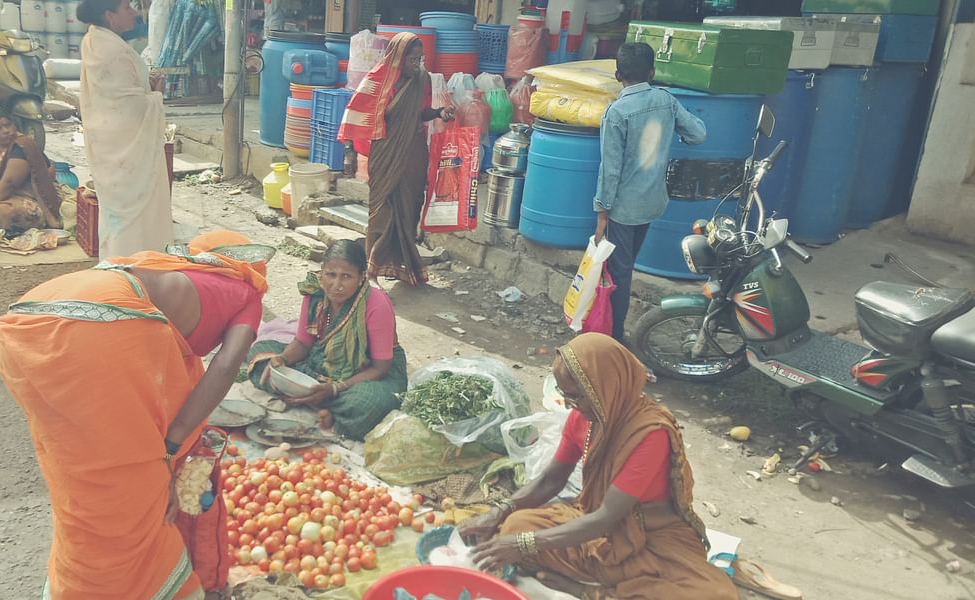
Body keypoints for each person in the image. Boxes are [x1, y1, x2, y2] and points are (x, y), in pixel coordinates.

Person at [0, 230, 274, 600]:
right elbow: (224, 368)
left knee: (81, 478)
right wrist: (172, 446)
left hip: (25, 324)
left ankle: (73, 583)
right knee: (131, 498)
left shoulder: (164, 265)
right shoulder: (247, 294)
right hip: (102, 327)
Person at [460, 333, 737, 599]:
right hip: (591, 523)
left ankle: (590, 592)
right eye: (565, 396)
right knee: (515, 525)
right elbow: (550, 481)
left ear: (607, 385)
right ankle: (604, 579)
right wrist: (499, 512)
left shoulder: (650, 433)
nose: (571, 406)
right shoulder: (582, 419)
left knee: (712, 594)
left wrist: (525, 544)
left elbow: (608, 517)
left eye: (577, 397)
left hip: (649, 536)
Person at [593, 43, 706, 342]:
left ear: (618, 75)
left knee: (619, 275)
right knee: (625, 267)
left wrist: (601, 216)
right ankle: (614, 333)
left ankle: (615, 337)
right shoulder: (666, 101)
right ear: (652, 72)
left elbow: (611, 170)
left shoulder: (616, 113)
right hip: (653, 202)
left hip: (623, 209)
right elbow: (698, 134)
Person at [247, 239, 409, 439]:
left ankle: (314, 400)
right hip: (322, 360)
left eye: (346, 277)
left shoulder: (376, 304)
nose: (336, 285)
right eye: (330, 275)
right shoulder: (315, 291)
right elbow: (303, 342)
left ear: (361, 278)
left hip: (368, 372)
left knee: (367, 403)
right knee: (261, 353)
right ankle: (319, 402)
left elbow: (380, 368)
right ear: (322, 271)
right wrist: (283, 360)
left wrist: (335, 388)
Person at [338, 32, 454, 287]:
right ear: (399, 57)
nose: (417, 63)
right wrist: (350, 150)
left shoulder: (423, 80)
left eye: (420, 58)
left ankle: (400, 267)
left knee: (409, 207)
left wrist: (439, 112)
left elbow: (421, 112)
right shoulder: (378, 79)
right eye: (412, 59)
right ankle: (371, 269)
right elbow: (358, 114)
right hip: (386, 151)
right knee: (382, 209)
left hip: (413, 150)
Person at [77, 0, 174, 258]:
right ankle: (140, 269)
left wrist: (144, 84)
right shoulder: (115, 51)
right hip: (127, 150)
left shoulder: (93, 41)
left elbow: (118, 94)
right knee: (136, 213)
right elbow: (131, 107)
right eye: (126, 8)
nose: (133, 12)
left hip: (109, 145)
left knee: (117, 215)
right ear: (110, 16)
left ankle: (119, 267)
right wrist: (156, 95)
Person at [0, 114, 63, 235]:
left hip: (35, 194)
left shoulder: (21, 147)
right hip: (13, 192)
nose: (5, 131)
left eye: (8, 125)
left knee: (1, 213)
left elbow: (8, 183)